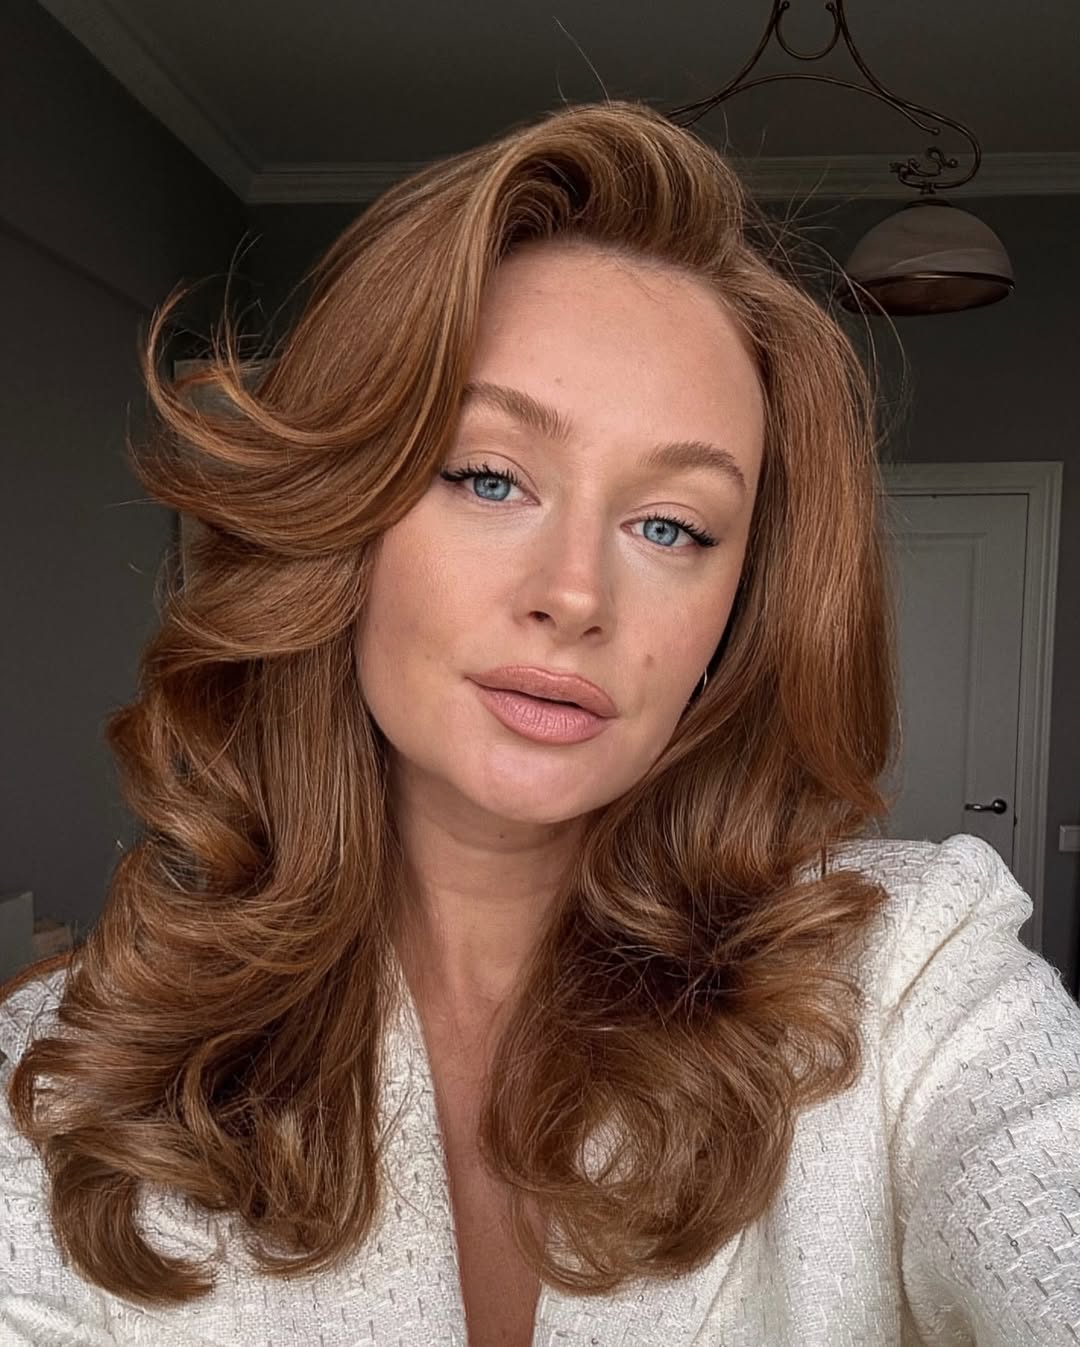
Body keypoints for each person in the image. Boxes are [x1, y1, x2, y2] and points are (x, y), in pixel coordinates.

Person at [1, 99, 1077, 1347]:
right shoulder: (71, 1080)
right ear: (342, 516)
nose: (576, 596)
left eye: (671, 525)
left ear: (737, 611)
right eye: (489, 476)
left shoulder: (910, 983)